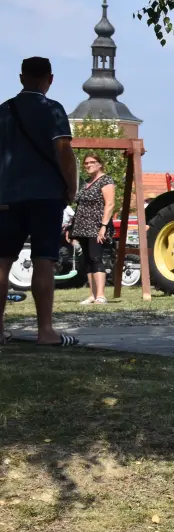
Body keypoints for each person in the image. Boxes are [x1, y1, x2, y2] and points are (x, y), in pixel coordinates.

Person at [0, 57, 79, 346]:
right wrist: (71, 187)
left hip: (7, 196)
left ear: (21, 78)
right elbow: (64, 152)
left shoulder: (3, 111)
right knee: (43, 261)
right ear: (50, 79)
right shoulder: (53, 109)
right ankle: (45, 331)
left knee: (2, 263)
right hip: (46, 196)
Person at [68, 154, 116, 304]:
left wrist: (103, 227)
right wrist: (71, 227)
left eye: (92, 162)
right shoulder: (86, 182)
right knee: (87, 260)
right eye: (86, 163)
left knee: (96, 258)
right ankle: (92, 294)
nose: (88, 165)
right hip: (82, 226)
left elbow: (110, 204)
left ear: (100, 164)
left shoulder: (106, 180)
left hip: (96, 226)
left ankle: (101, 294)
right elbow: (79, 206)